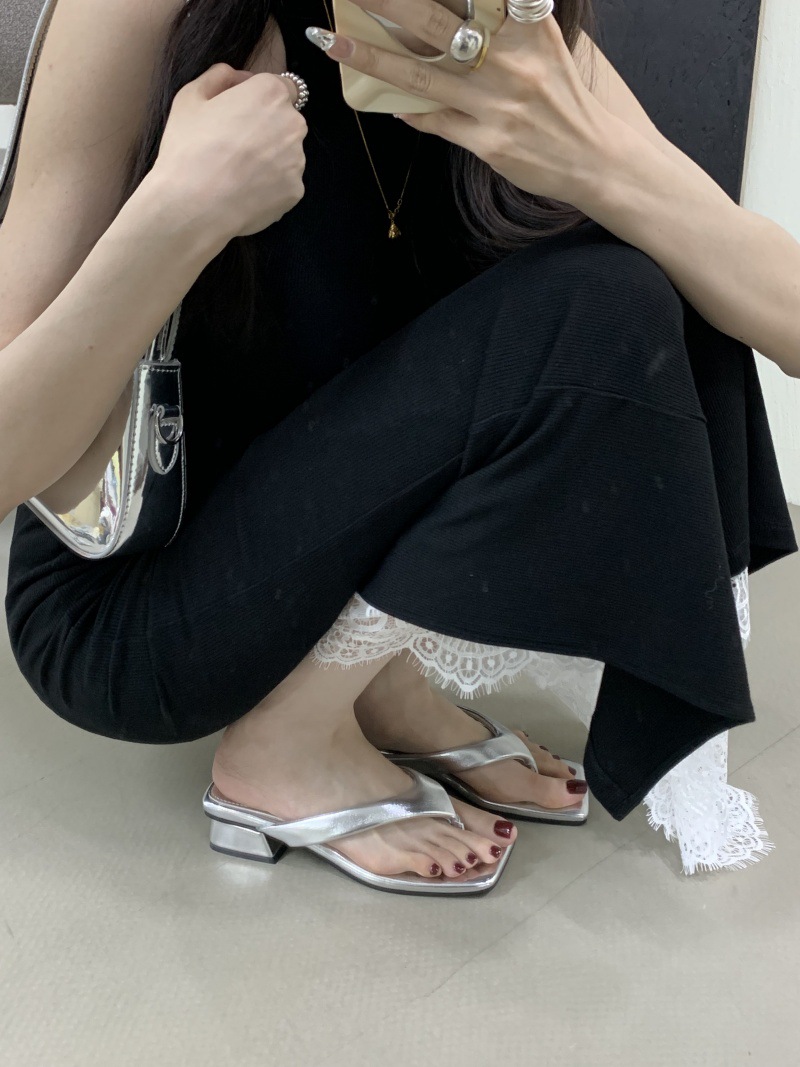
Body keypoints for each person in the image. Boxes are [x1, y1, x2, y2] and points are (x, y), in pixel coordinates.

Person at [1, 0, 797, 893]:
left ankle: (369, 681)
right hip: (135, 600)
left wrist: (597, 162)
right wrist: (177, 215)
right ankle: (288, 742)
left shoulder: (498, 22)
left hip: (319, 545)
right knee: (608, 307)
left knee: (670, 261)